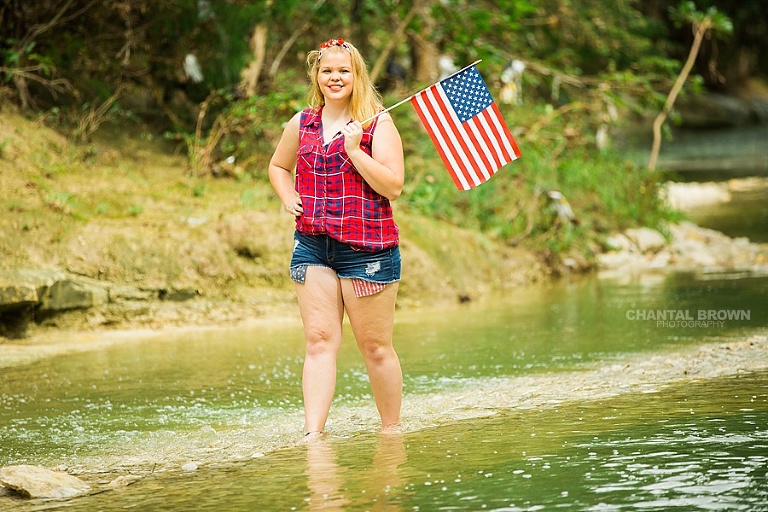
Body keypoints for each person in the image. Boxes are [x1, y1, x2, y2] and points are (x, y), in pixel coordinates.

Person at [268, 38, 405, 439]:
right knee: (318, 340)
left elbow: (393, 186)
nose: (335, 77)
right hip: (313, 246)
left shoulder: (378, 123)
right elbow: (278, 166)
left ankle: (391, 433)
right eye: (327, 70)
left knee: (375, 348)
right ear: (317, 76)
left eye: (343, 70)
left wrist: (354, 149)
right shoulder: (303, 122)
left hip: (368, 253)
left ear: (357, 76)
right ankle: (313, 436)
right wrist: (288, 194)